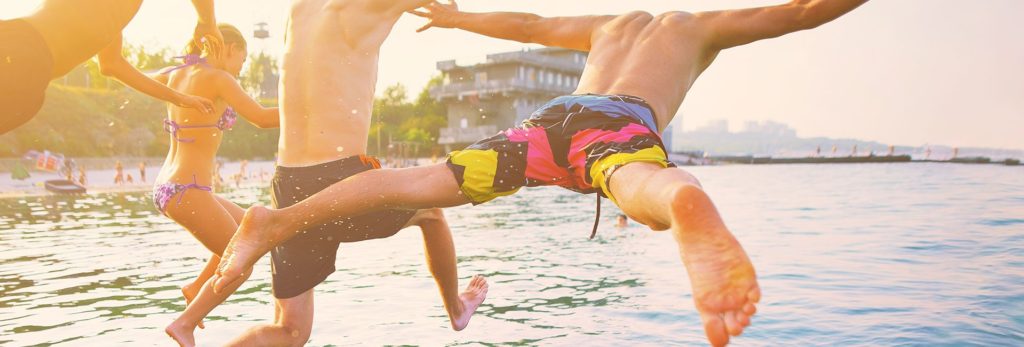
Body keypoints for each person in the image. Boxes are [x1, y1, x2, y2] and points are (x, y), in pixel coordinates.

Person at [214, 1, 869, 346]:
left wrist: (454, 17)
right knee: (638, 183)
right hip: (618, 123)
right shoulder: (699, 26)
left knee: (420, 182)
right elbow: (803, 10)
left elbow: (529, 23)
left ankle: (280, 219)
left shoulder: (610, 23)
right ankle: (686, 204)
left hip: (551, 123)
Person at [214, 1, 490, 346]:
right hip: (339, 178)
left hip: (287, 183)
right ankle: (457, 309)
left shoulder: (300, 9)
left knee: (290, 330)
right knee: (431, 212)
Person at [147, 24, 281, 346]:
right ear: (229, 48)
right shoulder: (221, 79)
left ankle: (196, 288)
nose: (242, 66)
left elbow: (149, 79)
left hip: (170, 186)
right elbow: (262, 118)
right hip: (187, 190)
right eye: (242, 58)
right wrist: (309, 111)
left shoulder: (179, 72)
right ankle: (185, 323)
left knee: (251, 228)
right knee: (241, 262)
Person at [0, 0, 224, 134]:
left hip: (30, 70)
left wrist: (179, 98)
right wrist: (207, 22)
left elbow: (112, 65)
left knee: (28, 105)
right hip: (19, 52)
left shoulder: (114, 12)